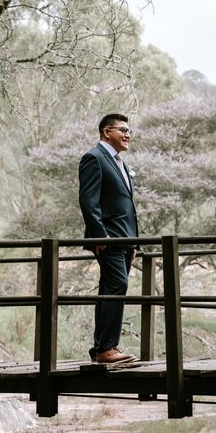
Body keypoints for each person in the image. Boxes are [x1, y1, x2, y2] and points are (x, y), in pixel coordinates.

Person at [79, 113, 139, 363]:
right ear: (106, 132)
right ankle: (106, 348)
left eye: (129, 131)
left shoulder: (120, 163)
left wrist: (134, 241)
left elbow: (126, 206)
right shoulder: (94, 158)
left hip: (125, 239)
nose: (127, 135)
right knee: (116, 287)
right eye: (123, 130)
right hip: (108, 238)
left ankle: (103, 347)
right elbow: (88, 200)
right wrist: (98, 235)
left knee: (110, 290)